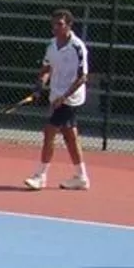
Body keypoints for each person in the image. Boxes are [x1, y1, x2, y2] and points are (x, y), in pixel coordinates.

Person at [26, 11, 91, 191]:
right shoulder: (51, 45)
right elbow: (47, 68)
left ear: (69, 25)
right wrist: (40, 85)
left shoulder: (78, 47)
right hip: (56, 96)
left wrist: (65, 97)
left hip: (71, 99)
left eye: (59, 24)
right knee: (70, 137)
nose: (55, 28)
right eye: (53, 24)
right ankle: (81, 177)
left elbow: (82, 77)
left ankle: (40, 176)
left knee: (49, 132)